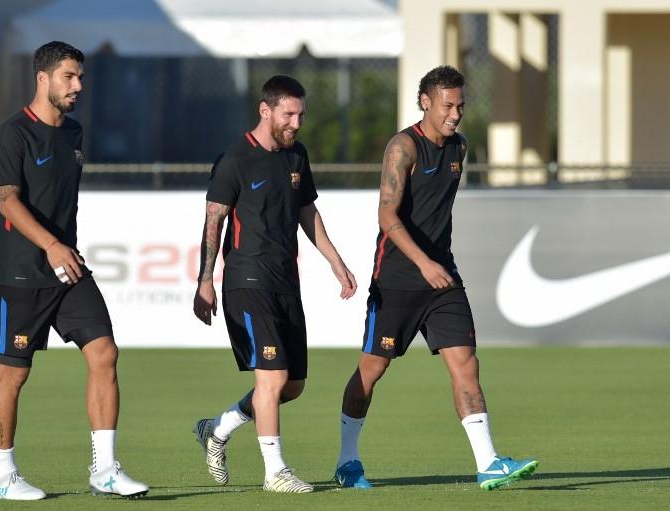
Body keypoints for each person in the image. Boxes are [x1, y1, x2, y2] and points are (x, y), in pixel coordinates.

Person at [332, 65, 538, 491]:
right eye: (448, 105)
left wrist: (435, 263)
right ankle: (347, 461)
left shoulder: (460, 146)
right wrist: (422, 263)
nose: (456, 113)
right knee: (371, 370)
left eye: (461, 105)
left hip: (443, 279)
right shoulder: (403, 147)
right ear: (425, 101)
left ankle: (489, 463)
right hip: (397, 281)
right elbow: (387, 214)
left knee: (465, 364)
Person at [0, 41, 148, 500]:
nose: (78, 86)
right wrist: (52, 246)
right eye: (69, 77)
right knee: (13, 374)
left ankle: (105, 471)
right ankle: (4, 476)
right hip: (20, 274)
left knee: (104, 354)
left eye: (81, 77)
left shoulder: (74, 133)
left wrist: (63, 251)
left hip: (68, 268)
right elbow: (8, 200)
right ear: (43, 78)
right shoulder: (12, 133)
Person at [192, 75, 357, 493]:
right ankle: (275, 472)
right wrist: (205, 280)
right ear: (265, 111)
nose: (297, 122)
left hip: (286, 282)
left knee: (293, 386)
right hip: (247, 281)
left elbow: (307, 213)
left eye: (301, 113)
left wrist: (336, 262)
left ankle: (219, 428)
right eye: (289, 113)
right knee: (273, 375)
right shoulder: (234, 159)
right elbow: (214, 220)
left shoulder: (296, 156)